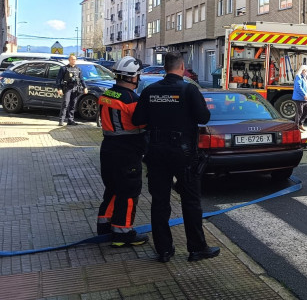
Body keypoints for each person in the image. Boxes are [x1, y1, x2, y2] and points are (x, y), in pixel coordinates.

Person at [132, 52, 220, 263]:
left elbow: (138, 119)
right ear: (182, 67)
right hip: (184, 154)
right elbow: (203, 117)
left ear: (164, 68)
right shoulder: (189, 89)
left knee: (159, 202)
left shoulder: (150, 90)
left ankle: (163, 250)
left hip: (155, 152)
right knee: (190, 201)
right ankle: (197, 248)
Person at [96, 56, 149, 247]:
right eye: (137, 76)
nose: (139, 79)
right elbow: (142, 123)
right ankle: (123, 232)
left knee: (112, 189)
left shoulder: (107, 95)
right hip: (127, 152)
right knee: (128, 191)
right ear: (131, 77)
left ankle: (104, 227)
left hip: (108, 148)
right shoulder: (132, 100)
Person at [56, 54, 88, 126]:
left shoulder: (78, 69)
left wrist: (85, 87)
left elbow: (82, 79)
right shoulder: (64, 68)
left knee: (73, 104)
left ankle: (70, 120)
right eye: (72, 59)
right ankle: (61, 120)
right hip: (67, 88)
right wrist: (59, 88)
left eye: (75, 59)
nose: (74, 61)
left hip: (75, 88)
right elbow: (58, 80)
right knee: (65, 104)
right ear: (69, 60)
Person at [293, 64, 307, 132]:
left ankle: (301, 124)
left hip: (305, 99)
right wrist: (304, 94)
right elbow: (298, 87)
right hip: (300, 98)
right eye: (305, 71)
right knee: (299, 112)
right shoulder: (298, 77)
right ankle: (296, 127)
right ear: (302, 70)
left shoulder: (303, 77)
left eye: (306, 71)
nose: (306, 72)